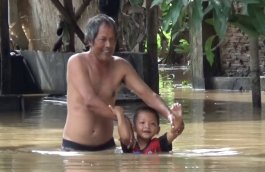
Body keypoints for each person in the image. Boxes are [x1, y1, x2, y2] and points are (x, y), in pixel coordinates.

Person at [62, 14, 177, 151]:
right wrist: (122, 118)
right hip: (75, 147)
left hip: (107, 146)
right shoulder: (76, 62)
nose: (108, 45)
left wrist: (170, 115)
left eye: (112, 40)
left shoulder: (121, 66)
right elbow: (90, 101)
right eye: (103, 40)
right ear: (90, 41)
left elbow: (148, 94)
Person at [111, 103, 184, 154]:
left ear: (158, 130)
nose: (147, 126)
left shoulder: (160, 143)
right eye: (142, 123)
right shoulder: (130, 144)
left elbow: (175, 131)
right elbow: (124, 137)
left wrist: (177, 118)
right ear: (134, 128)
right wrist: (119, 115)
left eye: (152, 124)